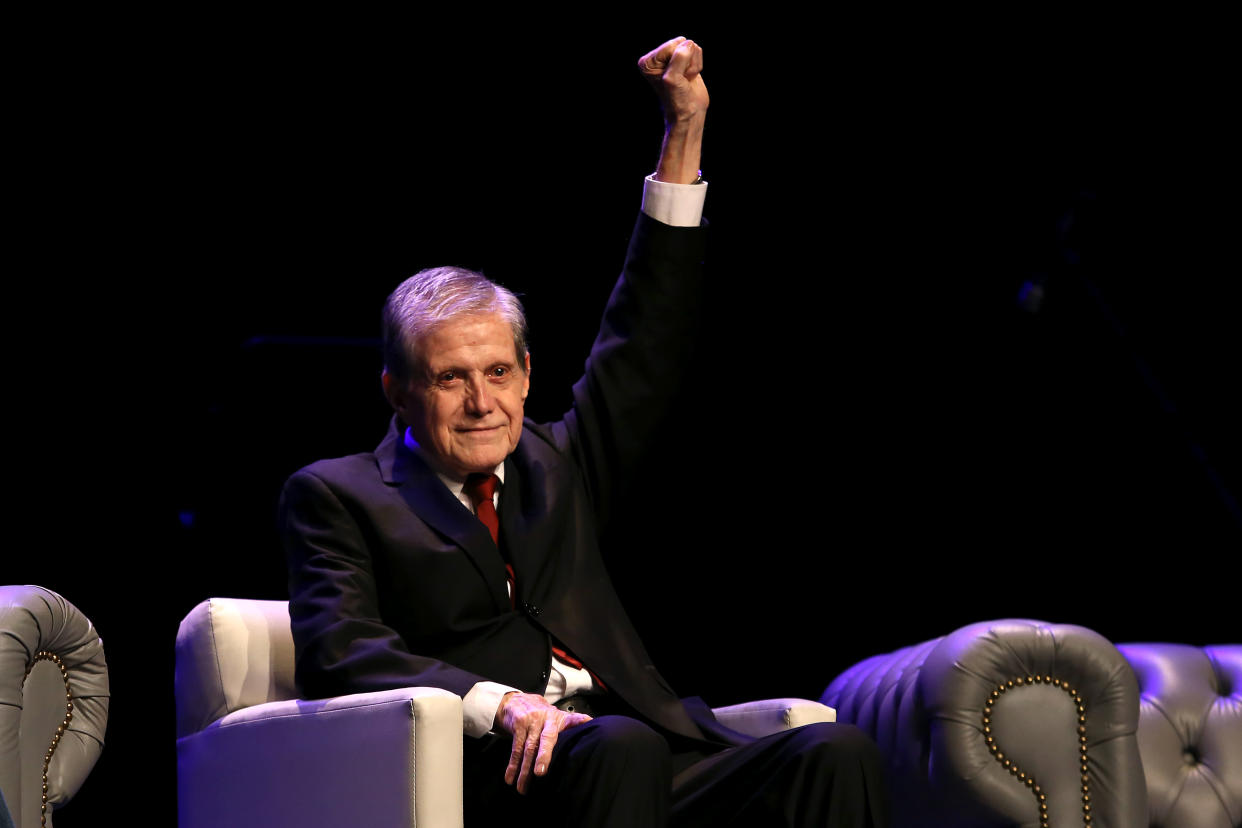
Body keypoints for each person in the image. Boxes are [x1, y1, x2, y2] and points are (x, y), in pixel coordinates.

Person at [280, 36, 888, 827]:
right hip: (500, 772)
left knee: (833, 753)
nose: (481, 402)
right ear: (396, 392)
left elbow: (646, 341)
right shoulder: (338, 494)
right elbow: (342, 646)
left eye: (498, 373)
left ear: (528, 375)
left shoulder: (557, 463)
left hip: (634, 748)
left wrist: (683, 136)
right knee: (620, 747)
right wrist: (500, 706)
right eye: (449, 378)